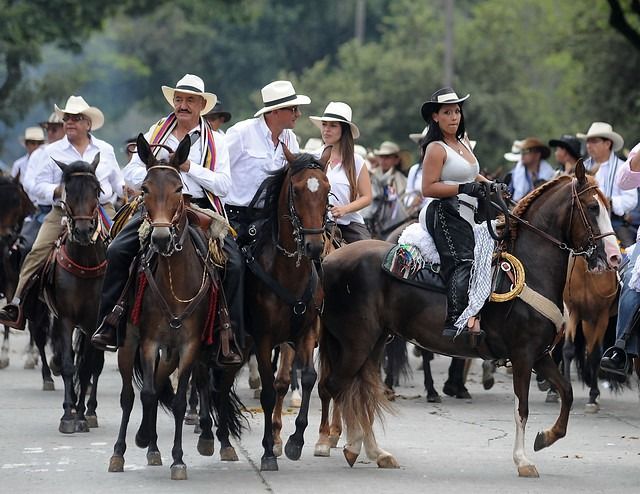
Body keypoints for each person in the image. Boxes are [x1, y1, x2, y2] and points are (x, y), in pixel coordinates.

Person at [90, 74, 241, 365]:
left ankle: (229, 334)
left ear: (201, 105)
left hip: (199, 208)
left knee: (234, 263)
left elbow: (224, 185)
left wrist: (188, 168)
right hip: (157, 206)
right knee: (117, 250)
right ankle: (110, 324)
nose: (183, 105)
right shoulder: (156, 132)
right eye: (179, 99)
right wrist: (157, 172)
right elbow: (130, 174)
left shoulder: (217, 141)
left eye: (189, 101)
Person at [0, 95, 124, 330]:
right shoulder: (48, 152)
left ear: (88, 124)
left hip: (103, 210)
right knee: (34, 250)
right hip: (63, 212)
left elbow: (117, 183)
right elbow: (32, 185)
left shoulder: (105, 150)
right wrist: (57, 190)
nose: (69, 122)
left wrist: (126, 189)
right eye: (67, 118)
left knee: (124, 250)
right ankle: (17, 305)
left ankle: (124, 308)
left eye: (76, 118)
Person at [420, 87, 493, 340]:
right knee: (464, 260)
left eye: (457, 111)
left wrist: (489, 185)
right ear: (435, 117)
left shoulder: (463, 142)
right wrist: (463, 188)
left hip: (469, 211)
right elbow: (428, 188)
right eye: (447, 112)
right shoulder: (436, 148)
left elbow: (471, 174)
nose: (454, 117)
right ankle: (455, 321)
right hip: (444, 210)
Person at [224, 80, 310, 241]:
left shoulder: (291, 139)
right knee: (234, 265)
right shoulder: (241, 133)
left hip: (273, 219)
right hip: (236, 219)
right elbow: (218, 170)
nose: (298, 114)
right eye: (294, 109)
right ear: (275, 111)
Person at [600, 142, 640, 376]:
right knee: (632, 279)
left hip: (618, 218)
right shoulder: (589, 164)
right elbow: (625, 180)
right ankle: (622, 347)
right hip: (602, 219)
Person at [309, 101, 372, 243]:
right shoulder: (313, 158)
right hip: (314, 224)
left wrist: (345, 209)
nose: (326, 129)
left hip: (349, 224)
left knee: (369, 256)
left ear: (344, 130)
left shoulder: (357, 161)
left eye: (333, 125)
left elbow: (367, 197)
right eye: (324, 124)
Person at [577, 122, 636, 247]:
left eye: (594, 141)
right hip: (585, 223)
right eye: (588, 141)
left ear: (608, 144)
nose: (588, 145)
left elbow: (631, 199)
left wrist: (610, 202)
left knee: (629, 253)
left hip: (614, 223)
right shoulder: (582, 167)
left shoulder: (622, 168)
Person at [12, 127, 45, 195]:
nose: (36, 147)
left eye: (39, 143)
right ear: (27, 144)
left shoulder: (48, 163)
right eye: (33, 143)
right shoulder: (18, 165)